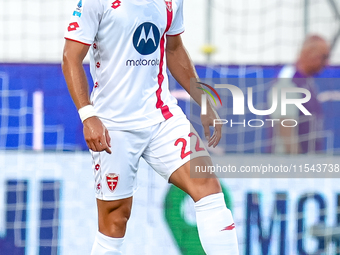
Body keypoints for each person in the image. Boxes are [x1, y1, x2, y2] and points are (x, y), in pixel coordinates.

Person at [62, 0, 239, 254]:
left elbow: (175, 49)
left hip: (162, 116)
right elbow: (71, 57)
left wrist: (202, 99)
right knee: (115, 220)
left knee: (208, 185)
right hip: (115, 125)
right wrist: (88, 115)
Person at [268, 35, 330, 154]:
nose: (327, 63)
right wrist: (300, 168)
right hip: (289, 167)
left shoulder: (307, 82)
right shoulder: (288, 81)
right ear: (309, 53)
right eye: (324, 56)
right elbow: (286, 132)